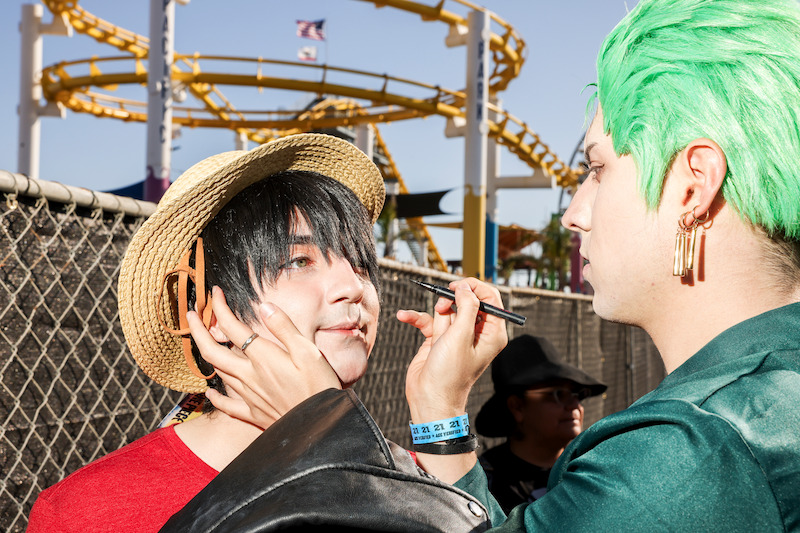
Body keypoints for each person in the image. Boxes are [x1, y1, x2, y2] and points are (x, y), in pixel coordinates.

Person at [178, 0, 800, 530]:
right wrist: (440, 403)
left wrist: (321, 431)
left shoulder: (688, 450)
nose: (573, 213)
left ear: (693, 186)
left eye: (598, 168)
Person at [28, 133, 459, 532]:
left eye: (360, 264)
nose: (354, 288)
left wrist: (441, 405)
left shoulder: (415, 479)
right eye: (300, 261)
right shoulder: (90, 511)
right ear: (208, 311)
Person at [475, 335, 606, 513]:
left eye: (578, 394)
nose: (574, 405)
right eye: (558, 394)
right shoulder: (484, 485)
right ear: (517, 407)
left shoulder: (592, 469)